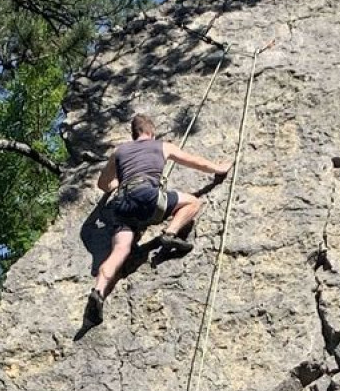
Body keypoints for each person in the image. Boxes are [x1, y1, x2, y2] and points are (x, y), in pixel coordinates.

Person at [86, 111, 231, 322]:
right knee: (193, 202)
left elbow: (102, 184)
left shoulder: (120, 152)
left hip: (123, 205)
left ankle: (98, 291)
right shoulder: (162, 145)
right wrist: (219, 168)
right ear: (151, 132)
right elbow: (194, 162)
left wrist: (115, 184)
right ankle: (170, 234)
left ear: (134, 134)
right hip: (149, 199)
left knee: (120, 250)